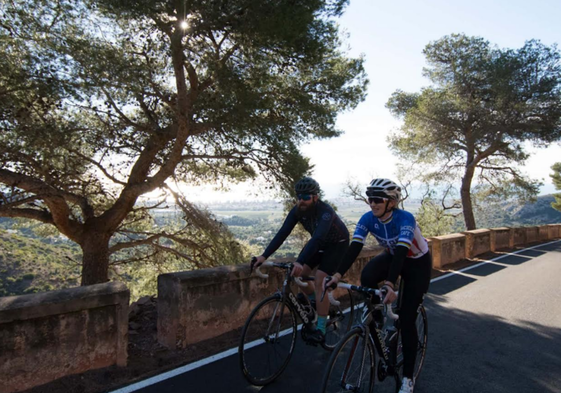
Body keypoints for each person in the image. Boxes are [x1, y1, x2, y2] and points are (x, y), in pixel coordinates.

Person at [325, 178, 432, 393]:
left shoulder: (405, 219)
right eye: (369, 199)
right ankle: (378, 317)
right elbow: (354, 248)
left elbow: (403, 253)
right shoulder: (367, 219)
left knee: (407, 320)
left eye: (377, 200)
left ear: (391, 202)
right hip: (393, 257)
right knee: (367, 276)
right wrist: (336, 275)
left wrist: (390, 285)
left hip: (417, 264)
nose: (372, 204)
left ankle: (408, 378)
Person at [253, 176, 349, 344]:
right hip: (317, 244)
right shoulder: (297, 210)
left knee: (319, 279)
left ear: (315, 197)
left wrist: (300, 260)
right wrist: (264, 256)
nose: (302, 201)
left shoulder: (326, 212)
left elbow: (318, 238)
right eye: (299, 197)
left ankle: (321, 327)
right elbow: (282, 233)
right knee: (301, 275)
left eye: (306, 197)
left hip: (336, 245)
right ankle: (315, 301)